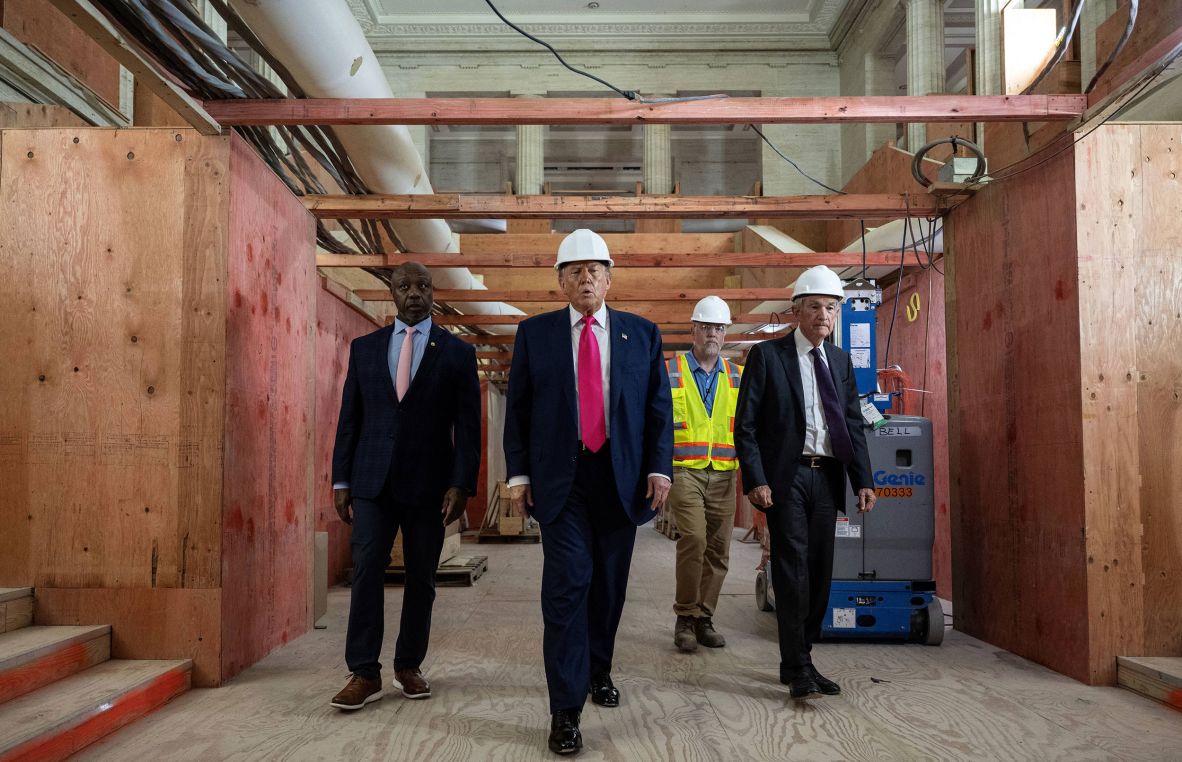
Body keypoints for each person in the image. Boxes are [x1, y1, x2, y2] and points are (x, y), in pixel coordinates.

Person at [504, 229, 673, 755]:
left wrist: (659, 470)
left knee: (607, 590)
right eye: (574, 271)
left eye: (595, 269)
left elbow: (657, 411)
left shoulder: (640, 334)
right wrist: (519, 476)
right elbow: (520, 412)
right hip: (563, 483)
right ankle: (565, 710)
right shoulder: (535, 335)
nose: (586, 278)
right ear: (560, 282)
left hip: (620, 482)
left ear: (609, 278)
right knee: (567, 589)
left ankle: (600, 668)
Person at [328, 262, 481, 711]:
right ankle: (363, 671)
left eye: (423, 286)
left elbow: (467, 428)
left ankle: (408, 665)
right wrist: (341, 479)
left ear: (433, 292)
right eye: (404, 287)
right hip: (371, 481)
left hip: (430, 486)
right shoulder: (365, 349)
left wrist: (461, 483)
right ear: (391, 294)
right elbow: (350, 418)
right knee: (366, 572)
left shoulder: (456, 354)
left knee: (421, 579)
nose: (414, 293)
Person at [733, 265, 876, 701]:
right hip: (787, 477)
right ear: (797, 310)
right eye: (814, 306)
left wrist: (863, 480)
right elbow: (746, 426)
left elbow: (852, 424)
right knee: (792, 570)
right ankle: (797, 667)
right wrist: (756, 479)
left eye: (831, 308)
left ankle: (802, 657)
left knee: (819, 574)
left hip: (827, 477)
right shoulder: (768, 357)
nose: (823, 315)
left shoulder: (840, 362)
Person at [665, 296, 743, 653]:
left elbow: (748, 426)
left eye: (719, 328)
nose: (713, 333)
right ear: (693, 329)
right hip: (685, 470)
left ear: (725, 333)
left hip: (726, 472)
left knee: (719, 550)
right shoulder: (671, 370)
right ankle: (684, 616)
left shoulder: (737, 375)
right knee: (694, 539)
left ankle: (703, 618)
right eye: (707, 326)